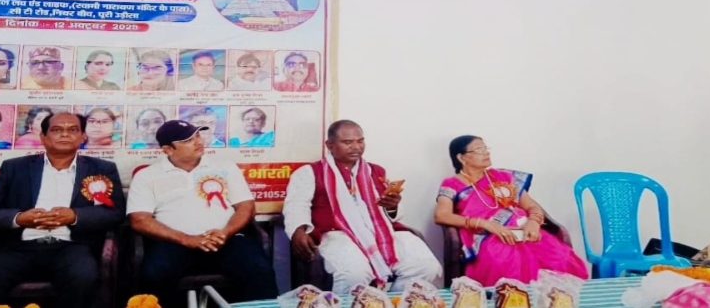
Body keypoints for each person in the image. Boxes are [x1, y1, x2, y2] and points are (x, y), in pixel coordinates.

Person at [0, 112, 126, 308]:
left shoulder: (102, 168)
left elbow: (114, 212)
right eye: (57, 130)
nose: (65, 134)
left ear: (83, 137)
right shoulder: (14, 168)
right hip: (17, 247)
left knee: (84, 279)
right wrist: (19, 218)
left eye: (73, 130)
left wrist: (75, 216)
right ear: (43, 137)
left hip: (72, 247)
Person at [127, 120, 278, 306]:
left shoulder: (225, 167)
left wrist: (225, 232)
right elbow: (139, 220)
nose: (198, 141)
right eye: (187, 140)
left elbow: (246, 206)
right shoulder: (147, 176)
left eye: (198, 135)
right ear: (168, 149)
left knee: (259, 269)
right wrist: (186, 239)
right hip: (174, 243)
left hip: (225, 240)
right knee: (153, 275)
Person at [283, 120, 441, 293]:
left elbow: (392, 213)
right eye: (347, 142)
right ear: (330, 145)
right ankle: (355, 303)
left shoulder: (376, 171)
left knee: (426, 267)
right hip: (338, 234)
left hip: (381, 231)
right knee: (355, 274)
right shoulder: (310, 172)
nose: (356, 147)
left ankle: (391, 302)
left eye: (360, 141)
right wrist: (298, 231)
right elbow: (297, 205)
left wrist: (392, 206)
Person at [434, 135, 588, 286]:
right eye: (479, 150)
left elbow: (532, 206)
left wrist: (533, 222)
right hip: (487, 235)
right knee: (505, 263)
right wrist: (487, 224)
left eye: (486, 148)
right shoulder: (452, 183)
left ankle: (557, 298)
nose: (486, 153)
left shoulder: (503, 177)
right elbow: (441, 215)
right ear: (461, 158)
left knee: (560, 258)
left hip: (524, 229)